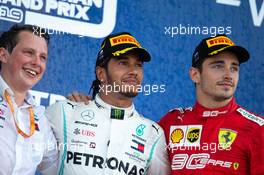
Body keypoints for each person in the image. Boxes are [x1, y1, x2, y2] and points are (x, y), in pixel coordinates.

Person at [45, 32, 171, 175]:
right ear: (101, 74)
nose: (133, 71)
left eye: (138, 65)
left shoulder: (153, 134)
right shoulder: (63, 112)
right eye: (123, 63)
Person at [159, 34, 264, 174]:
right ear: (195, 75)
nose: (228, 75)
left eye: (234, 68)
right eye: (218, 66)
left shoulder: (257, 129)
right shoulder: (171, 123)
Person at [0, 24, 58, 175]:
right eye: (29, 52)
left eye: (43, 57)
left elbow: (57, 168)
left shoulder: (41, 119)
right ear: (3, 55)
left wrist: (79, 111)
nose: (37, 62)